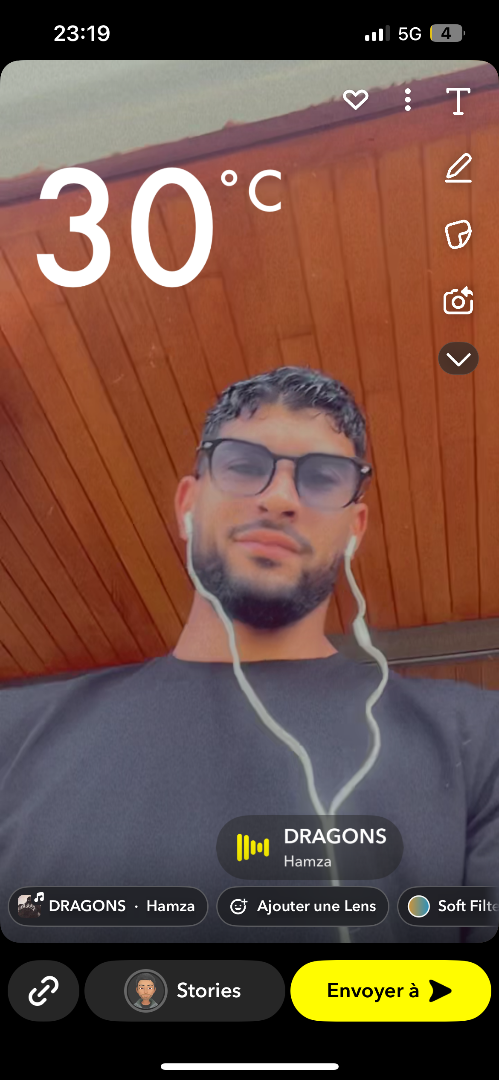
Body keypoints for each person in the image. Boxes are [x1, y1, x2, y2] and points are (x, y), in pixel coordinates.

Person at [0, 366, 498, 944]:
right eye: (243, 465)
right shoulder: (14, 733)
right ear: (188, 505)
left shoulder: (479, 739)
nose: (280, 498)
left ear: (354, 529)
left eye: (322, 478)